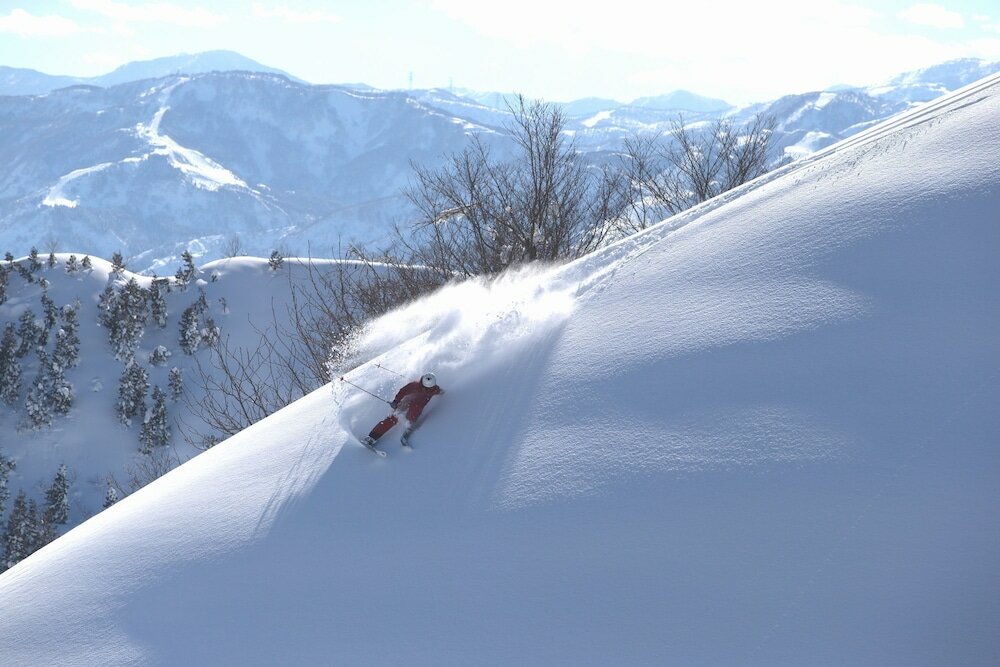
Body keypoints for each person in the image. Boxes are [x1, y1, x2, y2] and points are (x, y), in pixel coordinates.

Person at [364, 372, 444, 447]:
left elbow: (440, 391)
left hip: (417, 407)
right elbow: (402, 392)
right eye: (424, 387)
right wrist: (396, 401)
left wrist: (443, 393)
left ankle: (409, 426)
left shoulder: (434, 389)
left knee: (414, 412)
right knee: (394, 418)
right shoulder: (414, 385)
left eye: (428, 388)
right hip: (406, 402)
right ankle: (372, 437)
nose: (425, 390)